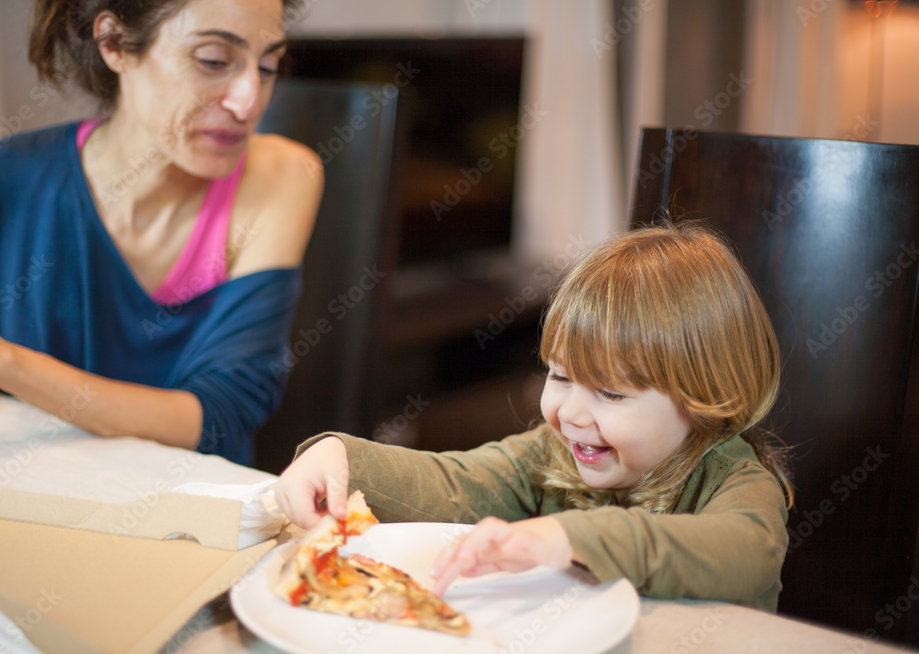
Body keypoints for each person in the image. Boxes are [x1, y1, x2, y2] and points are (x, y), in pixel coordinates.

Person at [273, 223, 794, 611]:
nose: (568, 413)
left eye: (610, 394)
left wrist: (569, 538)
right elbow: (456, 482)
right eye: (561, 377)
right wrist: (341, 456)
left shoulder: (736, 480)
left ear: (706, 397)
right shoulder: (553, 455)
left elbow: (747, 553)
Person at [0, 0, 322, 466]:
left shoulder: (281, 176)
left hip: (200, 516)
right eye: (214, 60)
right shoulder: (0, 182)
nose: (249, 102)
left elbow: (224, 411)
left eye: (267, 66)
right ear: (114, 43)